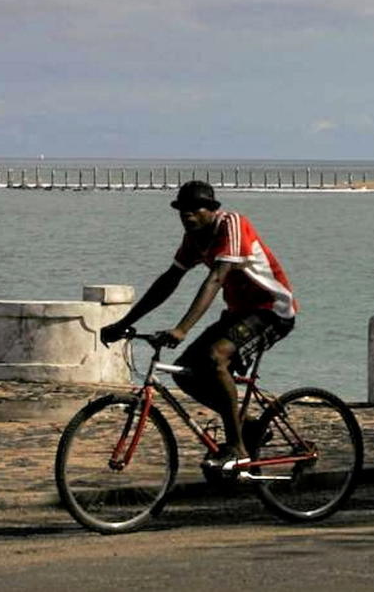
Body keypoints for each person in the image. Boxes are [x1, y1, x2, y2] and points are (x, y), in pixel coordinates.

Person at [99, 180, 297, 471]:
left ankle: (237, 448)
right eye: (182, 211)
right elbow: (169, 281)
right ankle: (248, 427)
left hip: (272, 310)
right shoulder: (193, 238)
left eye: (194, 210)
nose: (187, 216)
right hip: (238, 314)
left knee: (216, 357)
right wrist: (123, 323)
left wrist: (182, 328)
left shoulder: (231, 224)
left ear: (212, 209)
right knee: (186, 372)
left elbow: (216, 279)